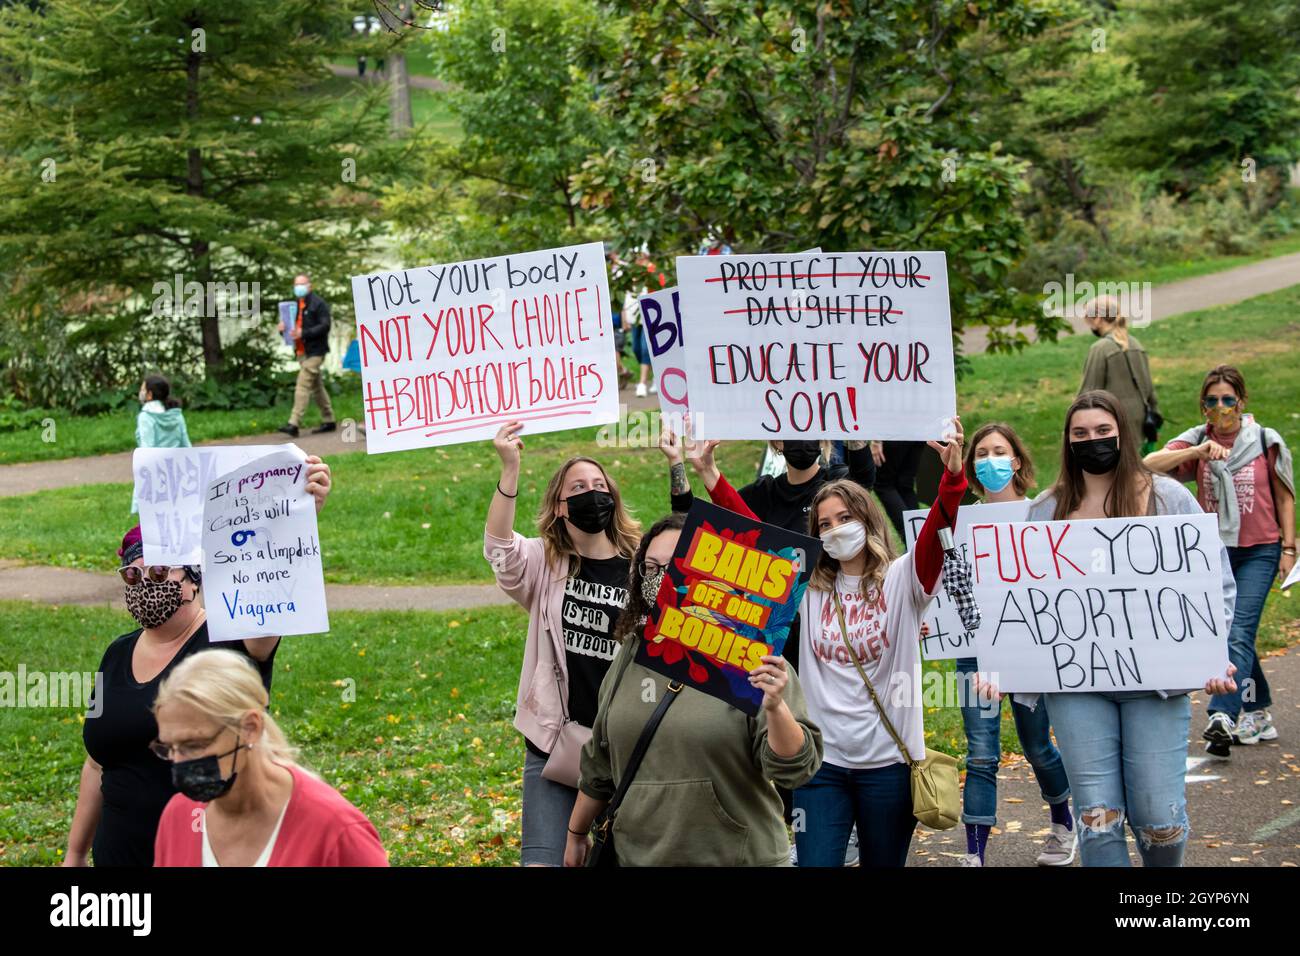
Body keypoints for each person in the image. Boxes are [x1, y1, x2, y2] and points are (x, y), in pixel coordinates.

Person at [64, 457, 334, 867]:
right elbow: (97, 763)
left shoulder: (233, 638)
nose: (144, 586)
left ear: (194, 576)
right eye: (132, 576)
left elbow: (269, 580)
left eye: (157, 572)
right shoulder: (116, 654)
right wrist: (75, 853)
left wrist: (296, 515)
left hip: (207, 854)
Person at [1026, 390, 1236, 867]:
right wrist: (1007, 664)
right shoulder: (1045, 510)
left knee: (1159, 820)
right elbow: (1021, 602)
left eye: (1102, 432)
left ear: (1122, 432)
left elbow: (1214, 582)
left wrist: (1211, 651)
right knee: (1098, 821)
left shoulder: (1168, 498)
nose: (1092, 441)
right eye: (1080, 434)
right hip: (1079, 686)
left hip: (1157, 686)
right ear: (1067, 441)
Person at [563, 513, 823, 866]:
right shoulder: (631, 653)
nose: (659, 578)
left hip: (739, 859)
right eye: (650, 568)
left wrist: (776, 707)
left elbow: (795, 769)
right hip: (638, 858)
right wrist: (576, 835)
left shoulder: (754, 659)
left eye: (673, 565)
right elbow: (600, 763)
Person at [781, 418, 964, 867]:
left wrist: (953, 479)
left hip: (889, 766)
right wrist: (710, 477)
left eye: (845, 518)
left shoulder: (904, 579)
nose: (835, 529)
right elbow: (752, 538)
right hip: (821, 766)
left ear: (866, 519)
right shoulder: (807, 586)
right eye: (824, 524)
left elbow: (938, 530)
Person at [484, 422, 641, 866]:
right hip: (556, 747)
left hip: (624, 751)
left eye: (599, 485)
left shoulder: (641, 565)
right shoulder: (543, 562)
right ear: (559, 506)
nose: (591, 493)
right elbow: (498, 549)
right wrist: (510, 468)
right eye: (578, 487)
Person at [1144, 366, 1294, 756]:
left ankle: (1221, 714)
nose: (1221, 407)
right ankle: (1257, 711)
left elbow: (1283, 497)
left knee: (1237, 631)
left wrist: (1290, 549)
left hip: (1261, 548)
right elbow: (1147, 466)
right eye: (1212, 401)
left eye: (1229, 399)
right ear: (1203, 405)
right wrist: (1197, 453)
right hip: (1216, 552)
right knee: (1236, 629)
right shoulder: (1197, 441)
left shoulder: (1264, 440)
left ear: (1242, 402)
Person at [955, 422, 1074, 867]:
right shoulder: (958, 520)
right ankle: (975, 853)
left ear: (1018, 460)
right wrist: (931, 621)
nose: (990, 461)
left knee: (1037, 746)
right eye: (981, 453)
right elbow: (942, 583)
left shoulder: (1041, 514)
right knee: (980, 750)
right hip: (974, 649)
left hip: (1030, 649)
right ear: (970, 467)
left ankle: (1064, 821)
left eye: (999, 451)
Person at [152, 650, 388, 866]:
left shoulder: (335, 830)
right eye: (170, 748)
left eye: (194, 745)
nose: (179, 762)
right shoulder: (179, 818)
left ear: (250, 728)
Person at [1078, 295, 1159, 455]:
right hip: (1140, 423)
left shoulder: (1100, 348)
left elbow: (1088, 394)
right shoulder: (1136, 344)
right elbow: (1150, 390)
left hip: (1111, 425)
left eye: (1088, 317)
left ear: (1098, 319)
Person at [278, 273, 335, 438]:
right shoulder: (295, 305)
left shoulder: (318, 304)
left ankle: (293, 423)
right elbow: (292, 332)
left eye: (301, 284)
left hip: (316, 352)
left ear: (310, 286)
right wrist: (283, 331)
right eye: (296, 284)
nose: (298, 287)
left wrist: (305, 332)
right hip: (302, 352)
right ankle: (329, 420)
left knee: (302, 385)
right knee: (317, 387)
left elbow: (325, 326)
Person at [871, 440, 925, 539]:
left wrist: (876, 441)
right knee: (905, 485)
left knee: (883, 484)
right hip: (919, 433)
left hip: (894, 433)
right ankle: (921, 538)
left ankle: (913, 540)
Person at [135, 374, 190, 449]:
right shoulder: (176, 414)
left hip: (156, 460)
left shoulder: (146, 416)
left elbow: (147, 448)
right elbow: (186, 444)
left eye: (142, 390)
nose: (140, 392)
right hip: (175, 460)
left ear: (149, 394)